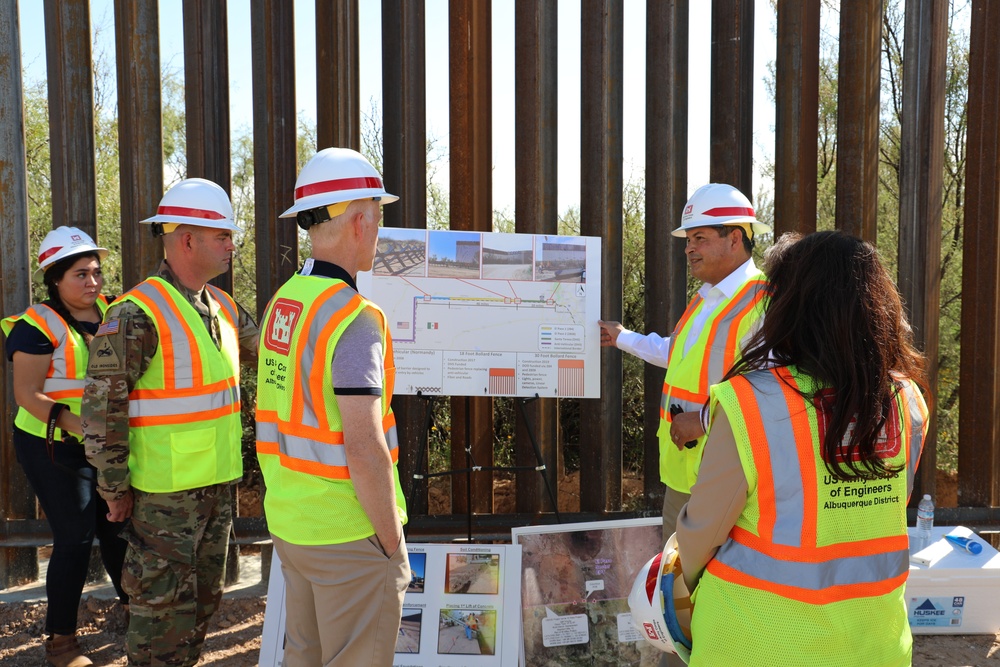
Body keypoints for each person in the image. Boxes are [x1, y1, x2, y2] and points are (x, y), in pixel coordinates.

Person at [675, 231, 929, 666]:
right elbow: (886, 506)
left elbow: (701, 532)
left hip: (754, 640)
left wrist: (678, 590)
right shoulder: (906, 400)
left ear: (790, 307)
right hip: (875, 642)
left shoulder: (751, 401)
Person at [81, 178, 259, 667]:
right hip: (165, 501)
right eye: (222, 236)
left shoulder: (220, 305)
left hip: (217, 489)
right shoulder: (135, 313)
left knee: (203, 605)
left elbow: (272, 352)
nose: (231, 245)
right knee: (161, 618)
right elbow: (102, 408)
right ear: (186, 240)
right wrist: (114, 488)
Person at [256, 147, 410, 666]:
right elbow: (364, 444)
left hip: (293, 524)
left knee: (304, 656)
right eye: (378, 217)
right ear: (360, 221)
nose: (379, 230)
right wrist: (391, 545)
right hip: (349, 533)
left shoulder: (286, 301)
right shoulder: (355, 318)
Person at [598, 183, 771, 545]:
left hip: (727, 481)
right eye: (688, 239)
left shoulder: (763, 303)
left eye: (700, 238)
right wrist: (622, 337)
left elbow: (774, 391)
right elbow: (677, 353)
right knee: (675, 586)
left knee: (715, 588)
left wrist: (705, 420)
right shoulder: (706, 299)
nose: (689, 248)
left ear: (735, 238)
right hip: (685, 475)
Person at [1, 227, 129, 667]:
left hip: (105, 441)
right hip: (53, 444)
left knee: (119, 526)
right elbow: (28, 395)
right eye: (80, 274)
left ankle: (135, 613)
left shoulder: (116, 311)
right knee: (75, 537)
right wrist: (83, 428)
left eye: (96, 272)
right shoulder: (35, 326)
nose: (92, 282)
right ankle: (61, 643)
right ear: (55, 279)